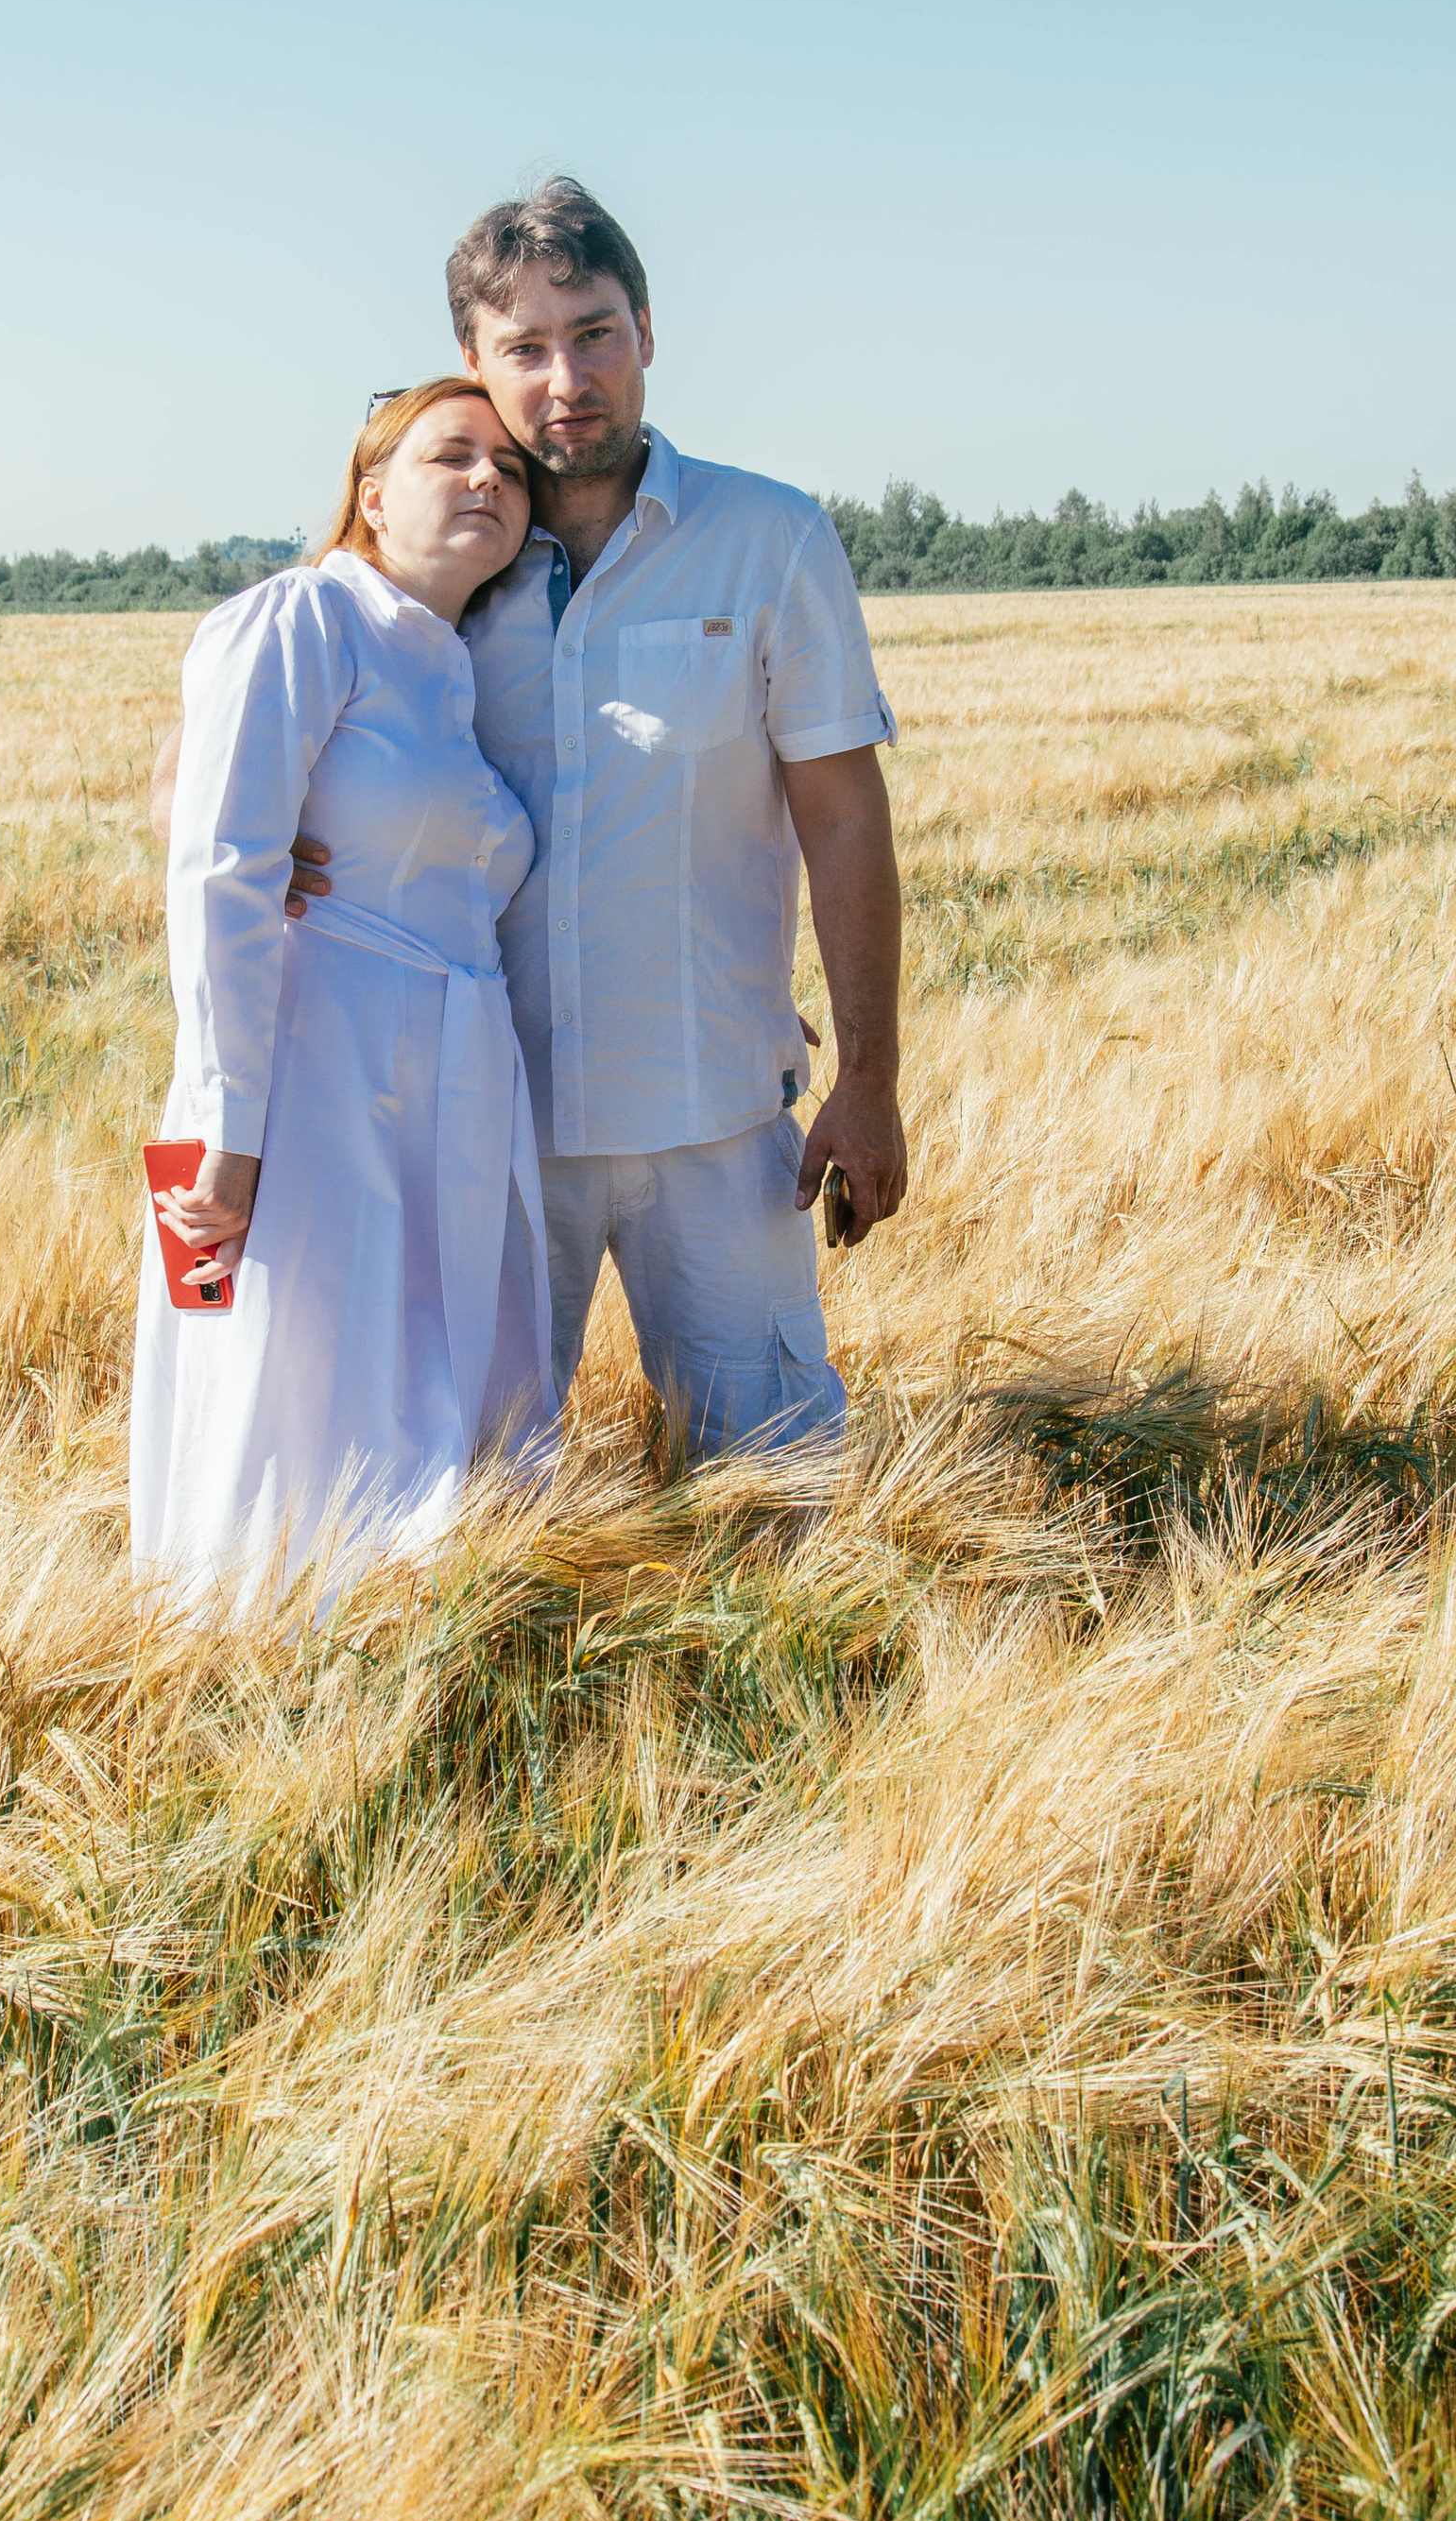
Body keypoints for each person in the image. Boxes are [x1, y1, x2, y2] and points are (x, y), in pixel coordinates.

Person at [152, 179, 906, 1458]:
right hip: (488, 1126)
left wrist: (873, 1081)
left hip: (715, 1113)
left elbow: (845, 819)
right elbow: (256, 712)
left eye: (597, 332)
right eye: (527, 348)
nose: (569, 377)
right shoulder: (446, 567)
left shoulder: (769, 540)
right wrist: (205, 811)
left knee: (780, 1479)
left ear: (650, 330)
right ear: (474, 361)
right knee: (475, 1478)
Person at [130, 381, 555, 1610]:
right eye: (451, 455)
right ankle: (264, 1691)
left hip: (445, 1102)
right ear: (372, 493)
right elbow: (219, 868)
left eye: (509, 469)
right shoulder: (304, 618)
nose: (489, 479)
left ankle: (428, 1686)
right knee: (299, 1403)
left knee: (429, 1397)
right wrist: (228, 1124)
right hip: (310, 1091)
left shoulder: (456, 666)